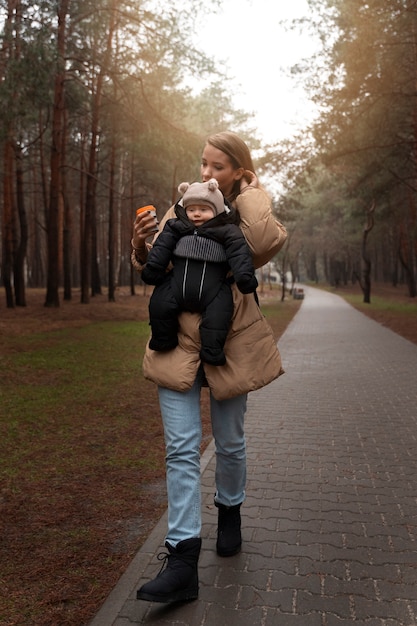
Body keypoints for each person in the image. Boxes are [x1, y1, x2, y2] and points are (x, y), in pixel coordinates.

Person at [131, 131, 287, 604]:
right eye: (203, 164)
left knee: (230, 441)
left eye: (217, 167)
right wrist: (138, 246)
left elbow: (262, 243)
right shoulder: (186, 207)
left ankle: (231, 510)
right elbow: (154, 261)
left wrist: (252, 191)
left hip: (228, 342)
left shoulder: (245, 211)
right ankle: (181, 561)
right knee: (180, 450)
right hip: (176, 341)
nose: (205, 175)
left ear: (238, 170)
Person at [141, 177, 258, 366]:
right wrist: (154, 267)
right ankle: (163, 339)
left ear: (217, 210)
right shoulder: (176, 226)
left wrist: (244, 276)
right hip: (176, 284)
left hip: (214, 288)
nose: (196, 214)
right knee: (159, 304)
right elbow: (162, 246)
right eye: (191, 209)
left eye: (204, 210)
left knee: (219, 316)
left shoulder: (228, 231)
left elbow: (239, 252)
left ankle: (212, 351)